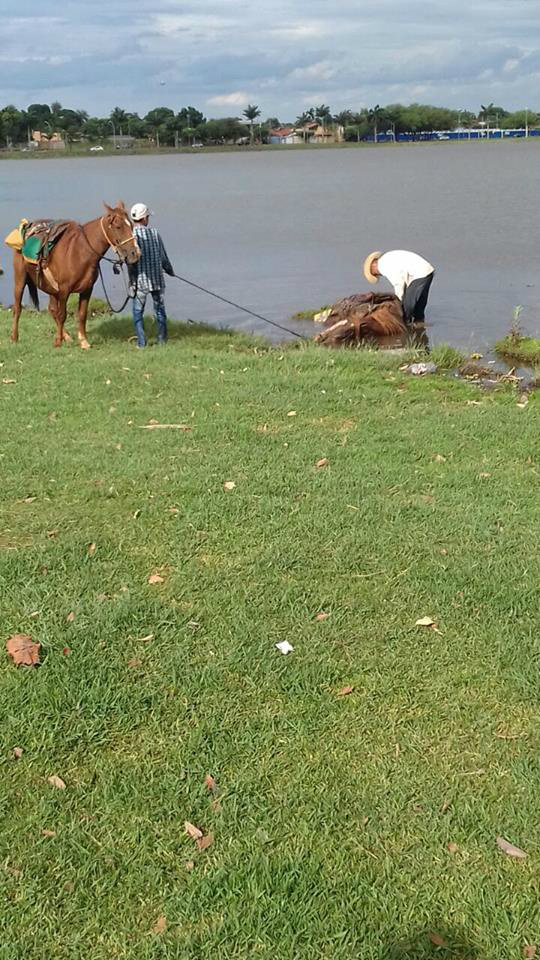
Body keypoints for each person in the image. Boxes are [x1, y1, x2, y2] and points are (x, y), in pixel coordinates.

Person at [128, 203, 174, 347]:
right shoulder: (155, 233)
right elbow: (163, 257)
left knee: (137, 313)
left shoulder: (130, 237)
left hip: (139, 282)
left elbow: (129, 260)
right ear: (144, 218)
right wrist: (169, 270)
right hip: (157, 280)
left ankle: (142, 343)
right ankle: (162, 340)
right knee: (160, 310)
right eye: (147, 216)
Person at [363, 250, 435, 325]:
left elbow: (398, 283)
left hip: (419, 274)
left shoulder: (383, 266)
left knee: (406, 308)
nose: (378, 275)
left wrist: (397, 301)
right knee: (419, 304)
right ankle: (419, 325)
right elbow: (403, 275)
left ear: (373, 266)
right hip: (428, 271)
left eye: (374, 274)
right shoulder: (387, 257)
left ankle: (406, 329)